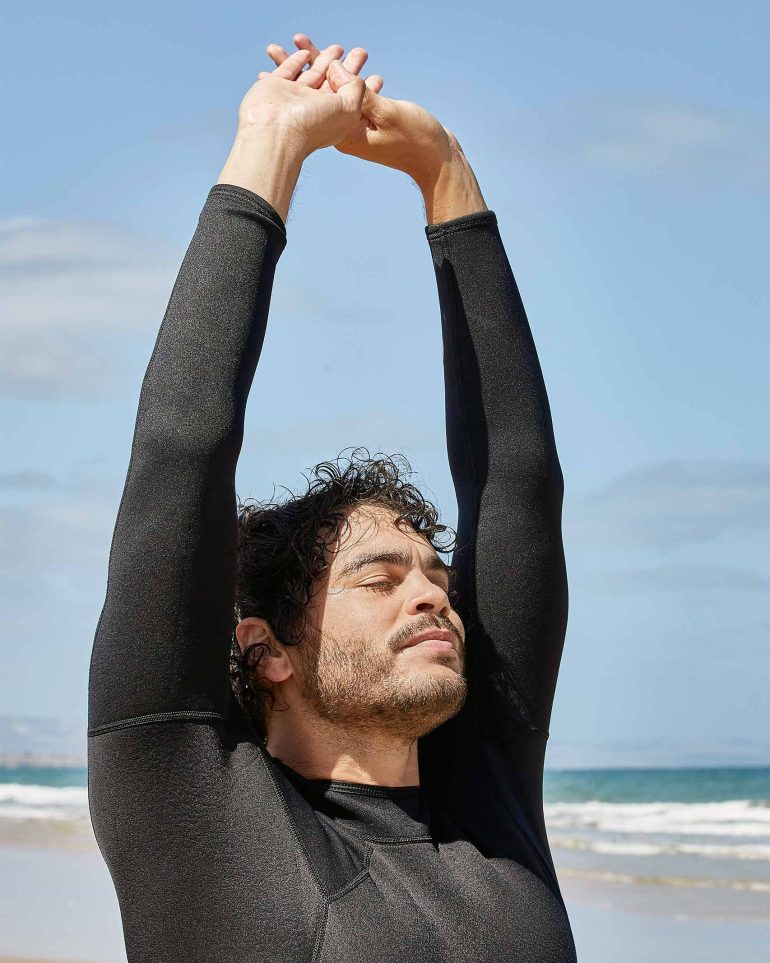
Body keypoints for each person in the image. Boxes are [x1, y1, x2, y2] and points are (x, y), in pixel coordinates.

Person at [87, 33, 577, 963]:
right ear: (265, 647)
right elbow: (182, 453)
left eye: (433, 573)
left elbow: (518, 483)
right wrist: (271, 144)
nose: (434, 593)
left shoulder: (486, 802)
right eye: (379, 577)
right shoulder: (193, 805)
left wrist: (445, 173)